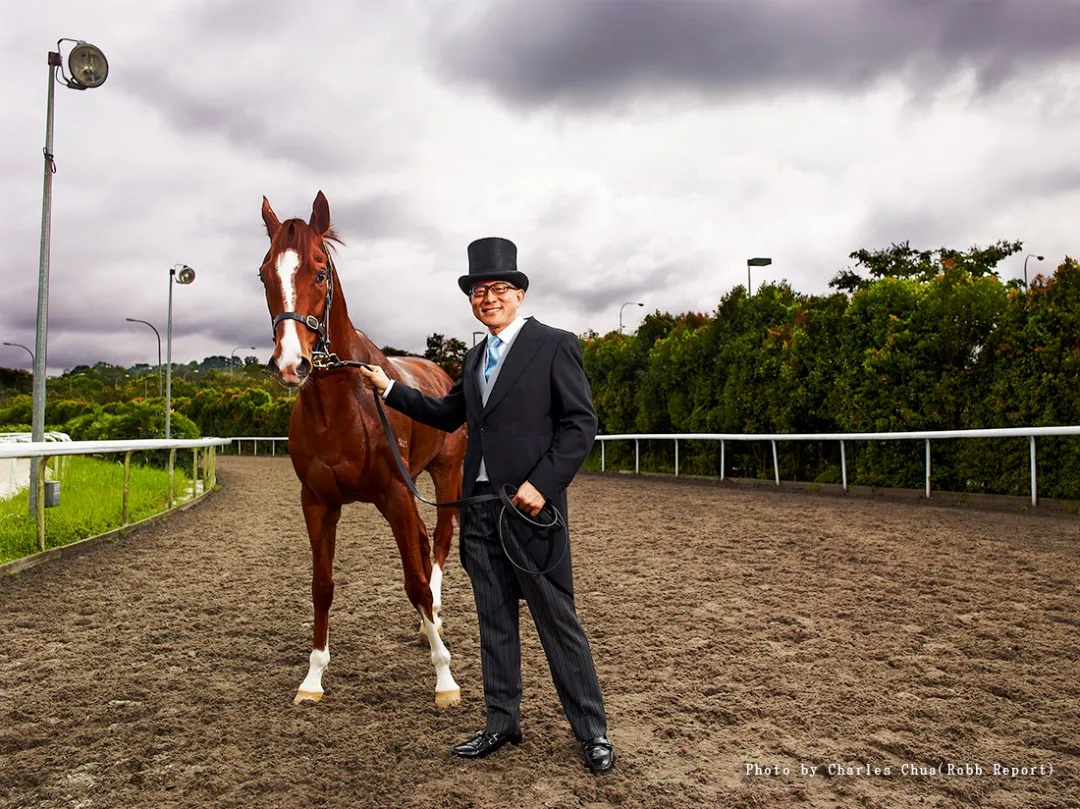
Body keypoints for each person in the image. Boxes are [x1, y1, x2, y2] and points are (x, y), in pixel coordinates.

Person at [358, 236, 614, 774]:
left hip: (531, 509)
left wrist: (542, 484)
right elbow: (446, 414)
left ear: (519, 293)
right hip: (478, 509)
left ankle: (592, 730)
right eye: (478, 291)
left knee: (557, 621)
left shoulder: (555, 345)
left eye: (498, 288)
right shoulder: (474, 358)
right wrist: (388, 389)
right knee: (493, 620)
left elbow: (580, 424)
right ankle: (502, 722)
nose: (488, 298)